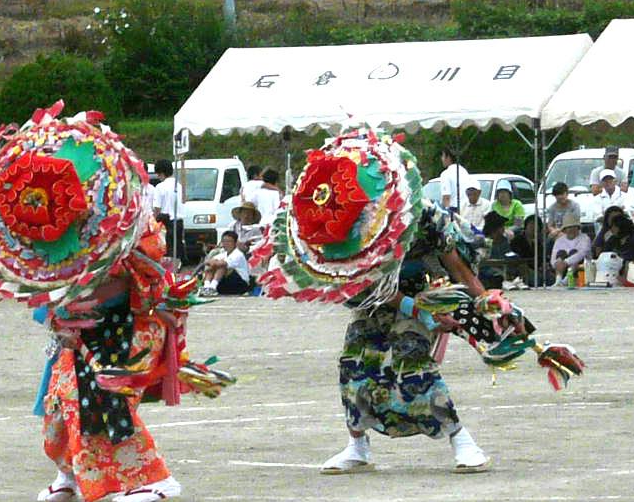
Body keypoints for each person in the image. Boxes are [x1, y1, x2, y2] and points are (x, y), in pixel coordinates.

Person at [0, 101, 232, 502]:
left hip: (121, 324)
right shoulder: (46, 237)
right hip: (76, 329)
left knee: (106, 401)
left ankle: (156, 477)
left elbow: (143, 276)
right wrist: (60, 309)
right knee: (60, 404)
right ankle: (67, 473)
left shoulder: (128, 221)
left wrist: (89, 294)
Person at [260, 128, 494, 474]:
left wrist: (488, 302)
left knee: (411, 355)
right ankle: (357, 445)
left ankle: (460, 438)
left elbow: (457, 266)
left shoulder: (424, 215)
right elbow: (370, 289)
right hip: (374, 298)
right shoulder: (342, 235)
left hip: (422, 289)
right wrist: (424, 316)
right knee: (353, 362)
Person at [199, 230, 250, 296]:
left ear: (235, 243)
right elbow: (209, 262)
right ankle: (207, 287)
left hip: (240, 284)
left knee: (222, 266)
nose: (226, 244)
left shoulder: (238, 254)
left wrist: (213, 262)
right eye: (224, 241)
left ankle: (213, 287)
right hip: (227, 283)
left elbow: (222, 264)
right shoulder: (223, 254)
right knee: (212, 266)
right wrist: (212, 262)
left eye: (229, 241)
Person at [151, 159, 182, 260]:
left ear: (162, 173)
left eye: (158, 174)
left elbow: (157, 208)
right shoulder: (179, 186)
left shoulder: (160, 187)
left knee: (167, 253)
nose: (158, 177)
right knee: (177, 251)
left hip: (166, 223)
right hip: (179, 223)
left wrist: (153, 222)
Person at [550, 222, 592, 286]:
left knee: (573, 252)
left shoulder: (585, 238)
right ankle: (558, 280)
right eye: (569, 227)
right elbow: (553, 258)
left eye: (574, 227)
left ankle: (567, 280)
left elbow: (581, 254)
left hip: (582, 267)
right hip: (562, 268)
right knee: (561, 253)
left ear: (578, 228)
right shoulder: (559, 240)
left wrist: (566, 262)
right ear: (564, 230)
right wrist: (557, 263)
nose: (571, 229)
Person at [438, 147, 471, 212]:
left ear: (448, 158)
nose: (442, 159)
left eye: (443, 156)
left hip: (453, 210)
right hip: (466, 208)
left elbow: (446, 197)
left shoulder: (446, 174)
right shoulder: (464, 171)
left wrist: (445, 213)